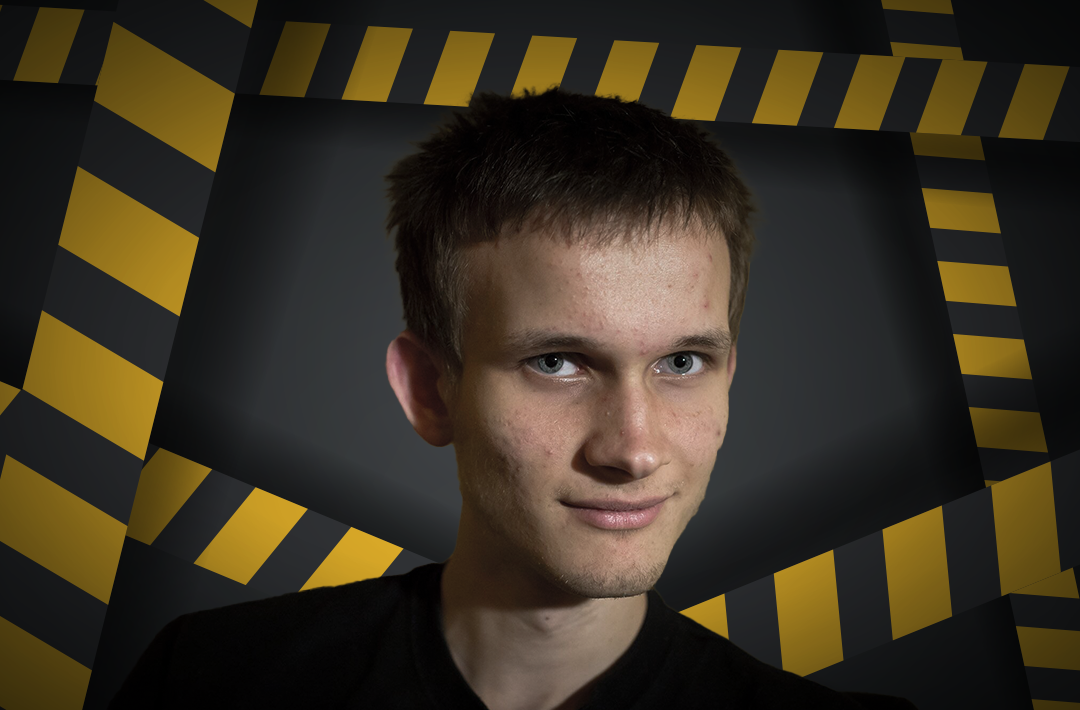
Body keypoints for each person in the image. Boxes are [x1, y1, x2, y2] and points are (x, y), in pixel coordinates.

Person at [111, 89, 915, 709]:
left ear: (729, 374)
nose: (633, 450)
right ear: (430, 390)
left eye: (681, 361)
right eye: (558, 363)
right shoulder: (209, 683)